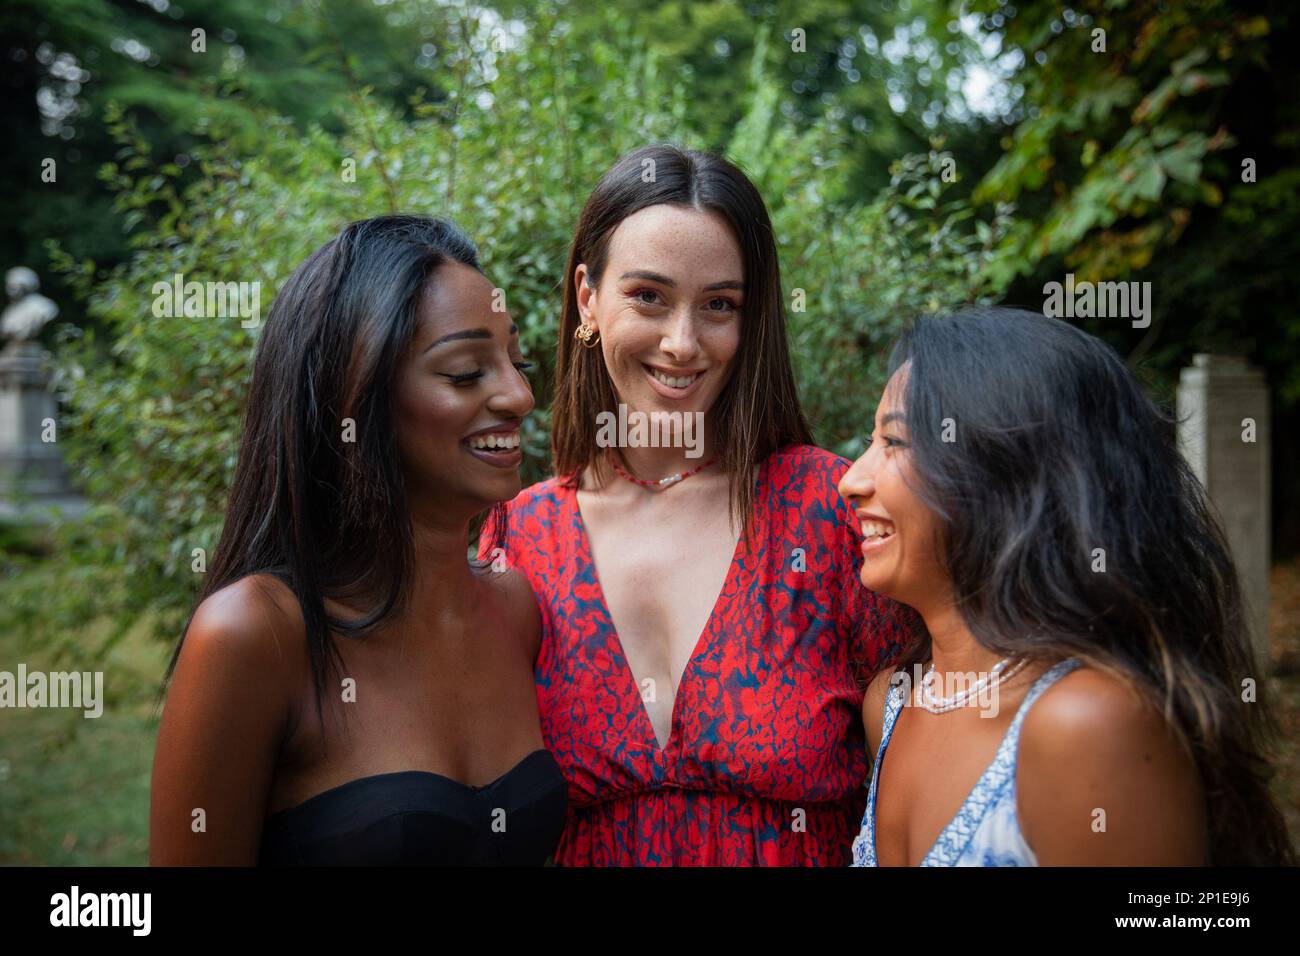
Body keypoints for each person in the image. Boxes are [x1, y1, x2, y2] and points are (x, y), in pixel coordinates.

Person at [482, 145, 908, 865]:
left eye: (719, 305)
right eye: (648, 296)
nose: (683, 344)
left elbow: (929, 762)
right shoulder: (521, 534)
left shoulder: (829, 511)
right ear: (587, 297)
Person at [150, 215, 565, 865]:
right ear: (355, 396)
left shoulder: (514, 611)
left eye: (516, 360)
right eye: (465, 371)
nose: (520, 394)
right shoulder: (255, 634)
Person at [840, 306, 1294, 866]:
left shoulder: (1086, 724)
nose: (850, 479)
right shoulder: (890, 704)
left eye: (895, 442)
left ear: (1010, 475)